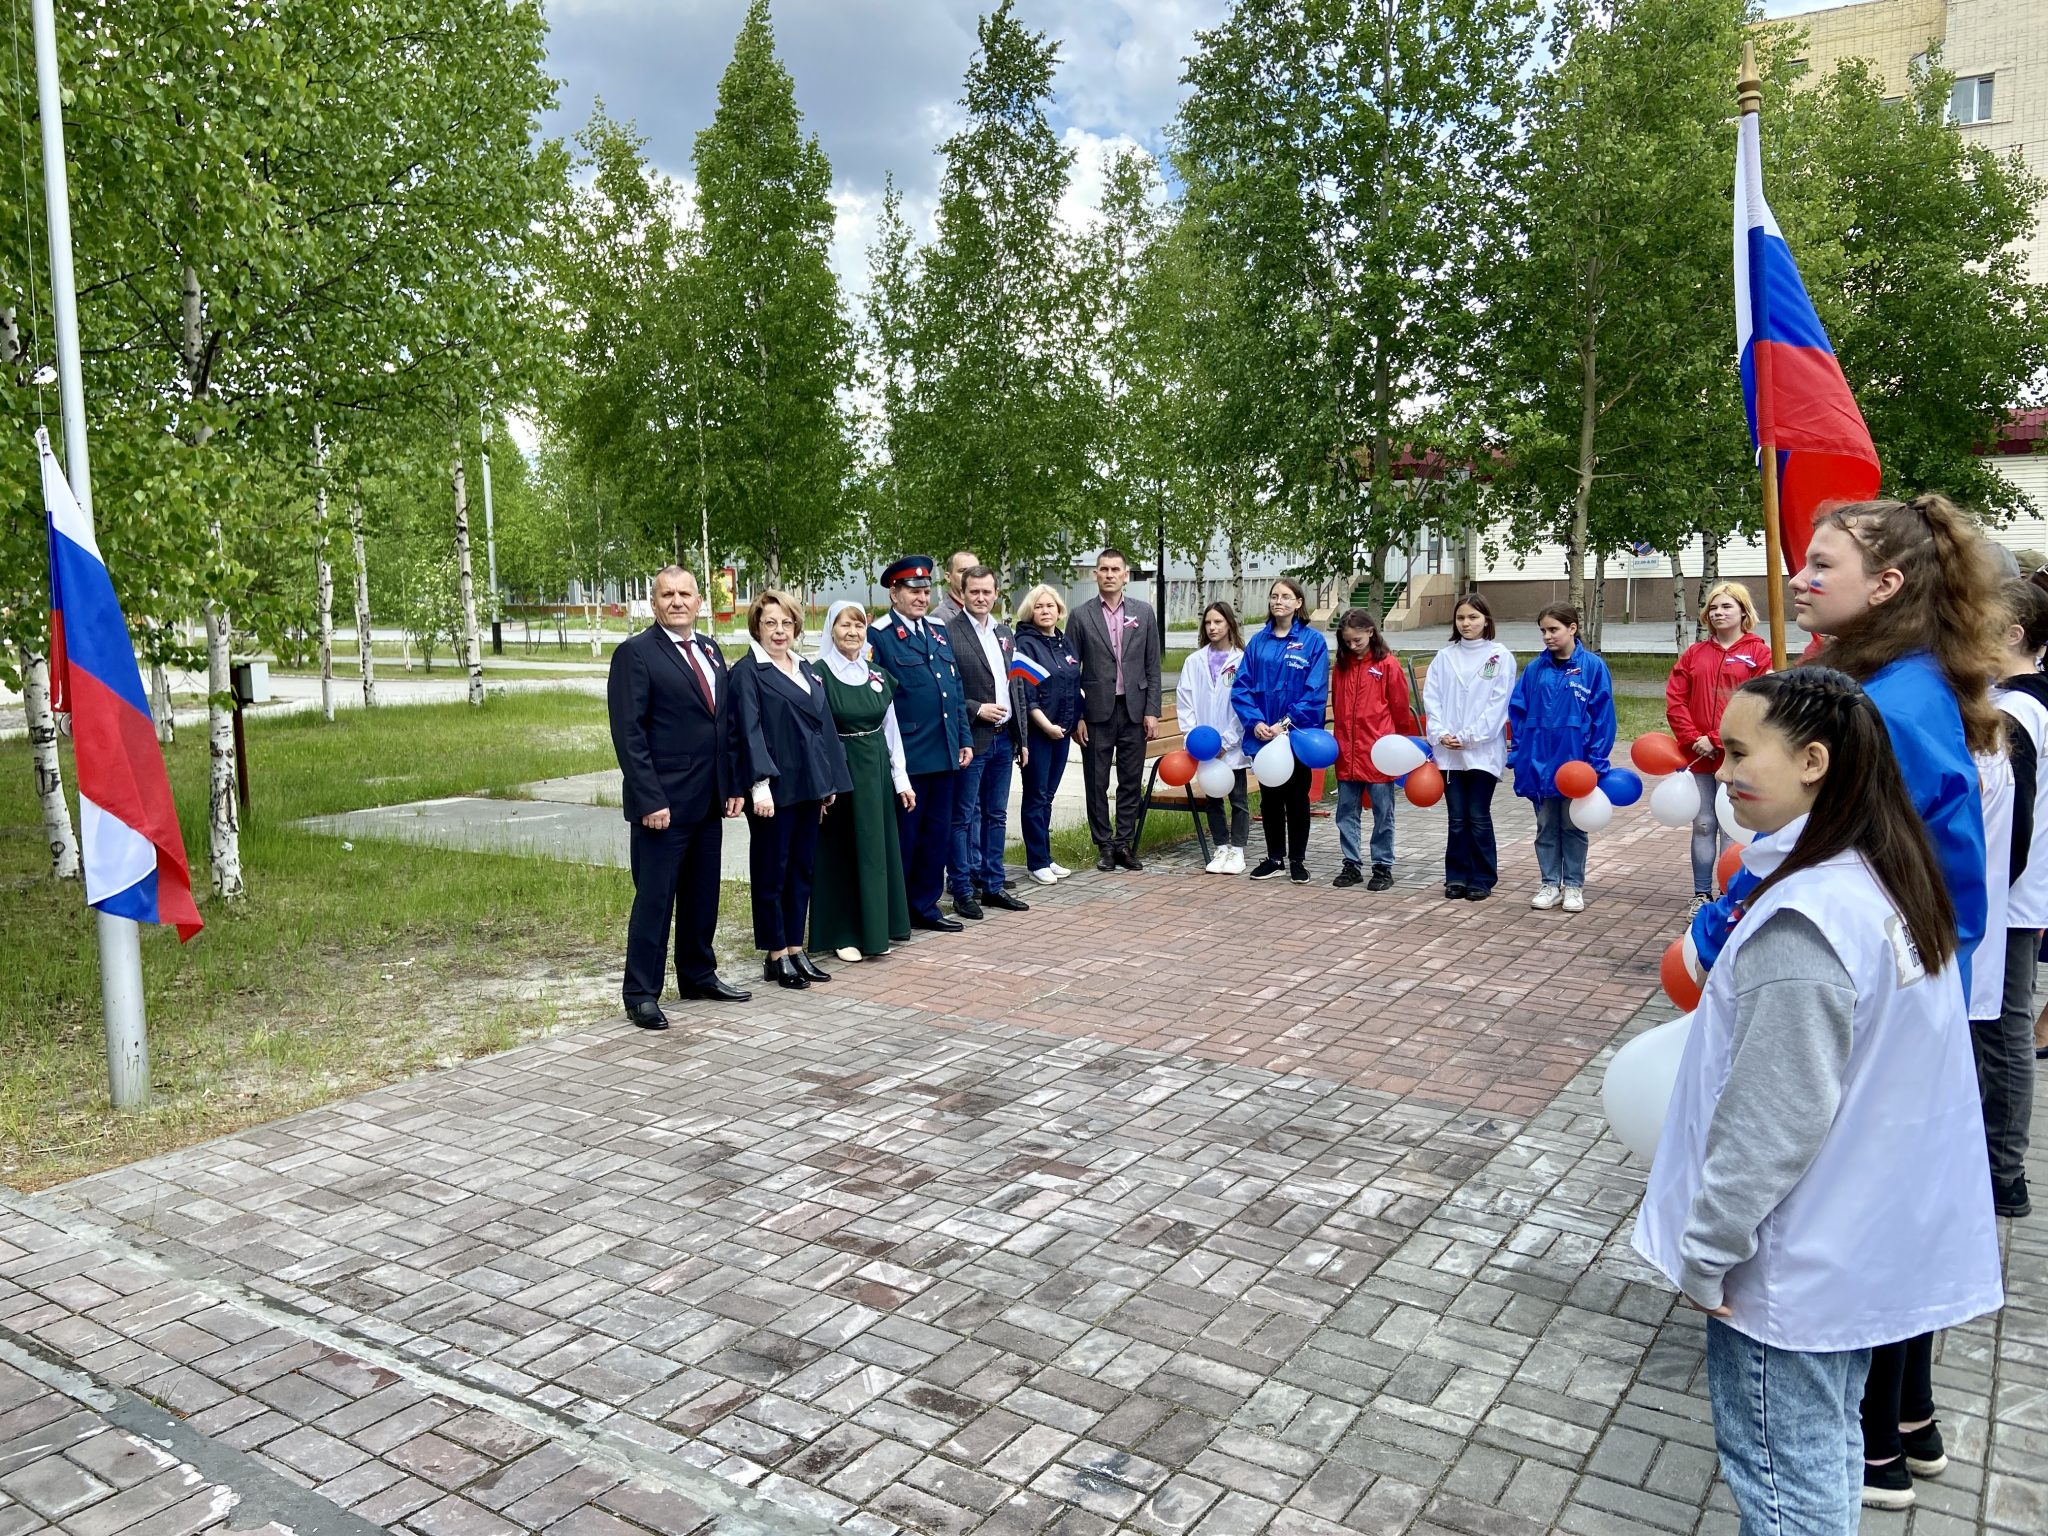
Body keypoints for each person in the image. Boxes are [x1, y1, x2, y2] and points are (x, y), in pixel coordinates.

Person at [1633, 667, 2002, 1536]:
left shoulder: (1807, 919)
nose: (1720, 771)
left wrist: (1707, 1252)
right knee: (1822, 1455)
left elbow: (1772, 1122)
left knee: (1785, 1488)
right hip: (1849, 1246)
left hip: (1785, 1273)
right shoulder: (1883, 876)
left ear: (1813, 761)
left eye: (1736, 751)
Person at [607, 565, 750, 1026]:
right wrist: (649, 799)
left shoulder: (710, 649)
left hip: (708, 799)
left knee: (702, 893)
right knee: (655, 898)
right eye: (667, 594)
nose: (677, 602)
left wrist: (731, 786)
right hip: (662, 805)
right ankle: (641, 993)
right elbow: (629, 735)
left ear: (699, 601)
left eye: (685, 594)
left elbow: (724, 725)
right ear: (654, 603)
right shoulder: (635, 654)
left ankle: (698, 973)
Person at [731, 591, 852, 991]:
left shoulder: (807, 669)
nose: (779, 631)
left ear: (796, 627)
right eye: (770, 623)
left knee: (802, 870)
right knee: (772, 873)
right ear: (757, 627)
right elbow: (748, 731)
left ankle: (796, 949)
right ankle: (775, 954)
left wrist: (829, 781)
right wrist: (758, 786)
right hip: (773, 791)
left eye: (786, 623)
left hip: (809, 787)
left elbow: (824, 727)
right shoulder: (748, 673)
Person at [867, 556, 974, 932]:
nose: (921, 597)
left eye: (926, 590)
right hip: (908, 756)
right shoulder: (878, 635)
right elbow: (874, 697)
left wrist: (963, 737)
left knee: (937, 835)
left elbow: (954, 688)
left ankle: (926, 906)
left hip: (944, 751)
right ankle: (900, 910)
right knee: (906, 837)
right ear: (894, 592)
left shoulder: (937, 629)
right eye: (913, 591)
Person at [1987, 577, 2048, 1217]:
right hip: (2015, 900)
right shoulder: (2014, 702)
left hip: (2009, 904)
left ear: (2012, 634)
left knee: (2003, 1032)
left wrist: (1985, 896)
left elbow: (2015, 827)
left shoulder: (2018, 714)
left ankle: (2004, 1172)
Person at [810, 601, 915, 965]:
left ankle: (878, 926)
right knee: (842, 852)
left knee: (876, 850)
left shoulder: (877, 675)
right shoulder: (818, 674)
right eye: (844, 625)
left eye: (858, 625)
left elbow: (891, 731)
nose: (852, 632)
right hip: (840, 770)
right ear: (831, 630)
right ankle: (844, 932)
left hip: (874, 774)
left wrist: (900, 779)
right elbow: (813, 731)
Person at [1665, 581, 1773, 917]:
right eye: (1713, 608)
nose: (1718, 613)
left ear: (1743, 611)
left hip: (1736, 753)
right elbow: (1675, 699)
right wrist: (1693, 737)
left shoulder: (1758, 652)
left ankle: (1730, 895)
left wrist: (1716, 737)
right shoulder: (1695, 654)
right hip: (1696, 754)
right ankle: (1700, 894)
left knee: (1730, 826)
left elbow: (1760, 701)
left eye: (1726, 606)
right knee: (1703, 824)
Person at [1508, 604, 1615, 913]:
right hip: (1539, 761)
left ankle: (1574, 886)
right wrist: (1520, 752)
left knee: (1572, 825)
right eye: (1543, 630)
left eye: (1553, 629)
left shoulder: (1593, 667)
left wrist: (1595, 759)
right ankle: (1549, 883)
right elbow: (1518, 711)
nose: (1547, 636)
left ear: (1573, 628)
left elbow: (1602, 715)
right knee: (1545, 825)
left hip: (1575, 763)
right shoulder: (1534, 669)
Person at [946, 566, 1031, 918]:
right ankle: (963, 889)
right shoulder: (949, 633)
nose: (981, 598)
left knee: (996, 816)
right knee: (963, 818)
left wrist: (1022, 738)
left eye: (987, 592)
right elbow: (946, 691)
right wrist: (976, 709)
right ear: (962, 593)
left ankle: (993, 886)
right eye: (974, 592)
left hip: (1004, 740)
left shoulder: (1004, 632)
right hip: (973, 739)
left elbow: (1017, 687)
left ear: (996, 593)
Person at [1234, 577, 1331, 883]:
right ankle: (1274, 857)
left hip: (1296, 735)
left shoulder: (1314, 643)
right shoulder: (1258, 642)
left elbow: (1315, 691)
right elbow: (1242, 687)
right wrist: (1257, 722)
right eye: (1274, 596)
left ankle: (1297, 860)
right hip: (1263, 735)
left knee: (1297, 799)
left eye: (1286, 596)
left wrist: (1285, 723)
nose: (1278, 601)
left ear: (1298, 603)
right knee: (1270, 798)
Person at [1071, 548, 1162, 871]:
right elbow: (1071, 671)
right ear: (1095, 574)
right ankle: (1104, 845)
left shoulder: (1144, 612)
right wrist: (1076, 716)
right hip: (1096, 712)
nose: (1109, 575)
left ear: (1126, 575)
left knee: (1129, 778)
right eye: (1103, 569)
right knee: (1096, 781)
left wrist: (1152, 710)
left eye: (1115, 570)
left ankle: (1124, 843)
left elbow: (1153, 664)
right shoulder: (1081, 616)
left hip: (1134, 710)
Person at [1424, 594, 1514, 902]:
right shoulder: (1444, 657)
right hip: (1449, 752)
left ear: (1486, 620)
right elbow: (1432, 699)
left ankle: (1483, 876)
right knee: (1457, 817)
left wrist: (1470, 736)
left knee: (1477, 814)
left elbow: (1498, 705)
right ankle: (1457, 876)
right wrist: (1441, 732)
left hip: (1482, 751)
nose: (1467, 623)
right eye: (1461, 618)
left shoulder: (1499, 657)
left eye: (1473, 617)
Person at [1329, 607, 1415, 891]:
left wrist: (1400, 744)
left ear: (1370, 632)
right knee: (1346, 811)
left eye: (1358, 640)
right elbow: (1340, 706)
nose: (1353, 646)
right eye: (1347, 642)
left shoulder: (1387, 664)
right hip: (1347, 751)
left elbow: (1400, 708)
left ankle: (1382, 865)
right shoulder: (1340, 667)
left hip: (1379, 751)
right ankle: (1351, 863)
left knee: (1382, 811)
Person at [1013, 584, 1084, 886]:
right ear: (1031, 611)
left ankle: (1046, 857)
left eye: (1050, 606)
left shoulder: (1064, 643)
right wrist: (1045, 725)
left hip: (1063, 732)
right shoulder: (1025, 645)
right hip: (1040, 733)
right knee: (1035, 797)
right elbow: (1026, 694)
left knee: (1048, 797)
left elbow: (1074, 684)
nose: (1045, 611)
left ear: (1059, 610)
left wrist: (1076, 720)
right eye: (1039, 606)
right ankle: (1036, 862)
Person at [1175, 601, 1250, 875]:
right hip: (1204, 747)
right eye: (1208, 623)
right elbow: (1185, 701)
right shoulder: (1194, 661)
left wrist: (1227, 741)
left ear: (1229, 624)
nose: (1212, 627)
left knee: (1238, 799)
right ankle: (1220, 847)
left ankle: (1238, 850)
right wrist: (1195, 738)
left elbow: (1242, 706)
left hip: (1232, 745)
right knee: (1213, 799)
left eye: (1218, 622)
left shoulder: (1242, 660)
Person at [932, 548, 978, 627]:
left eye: (975, 571)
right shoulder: (938, 617)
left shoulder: (981, 610)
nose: (970, 576)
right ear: (948, 577)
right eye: (962, 571)